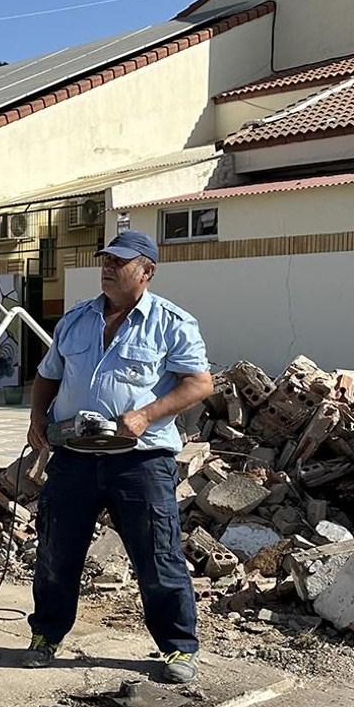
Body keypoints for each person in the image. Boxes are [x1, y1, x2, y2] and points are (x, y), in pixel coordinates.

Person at [24, 230, 214, 684]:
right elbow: (47, 376)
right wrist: (37, 418)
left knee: (157, 553)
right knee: (56, 549)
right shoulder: (76, 320)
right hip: (73, 455)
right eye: (105, 260)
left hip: (140, 460)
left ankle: (178, 648)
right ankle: (46, 635)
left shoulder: (172, 322)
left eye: (120, 262)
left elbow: (199, 383)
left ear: (146, 271)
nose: (108, 268)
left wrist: (147, 414)